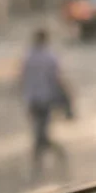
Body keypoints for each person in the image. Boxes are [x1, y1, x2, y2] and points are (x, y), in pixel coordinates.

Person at [20, 28, 69, 180]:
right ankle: (53, 153)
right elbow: (57, 79)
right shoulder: (50, 57)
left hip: (33, 99)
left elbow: (23, 79)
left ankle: (40, 158)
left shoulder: (29, 56)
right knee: (41, 130)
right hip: (46, 98)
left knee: (39, 130)